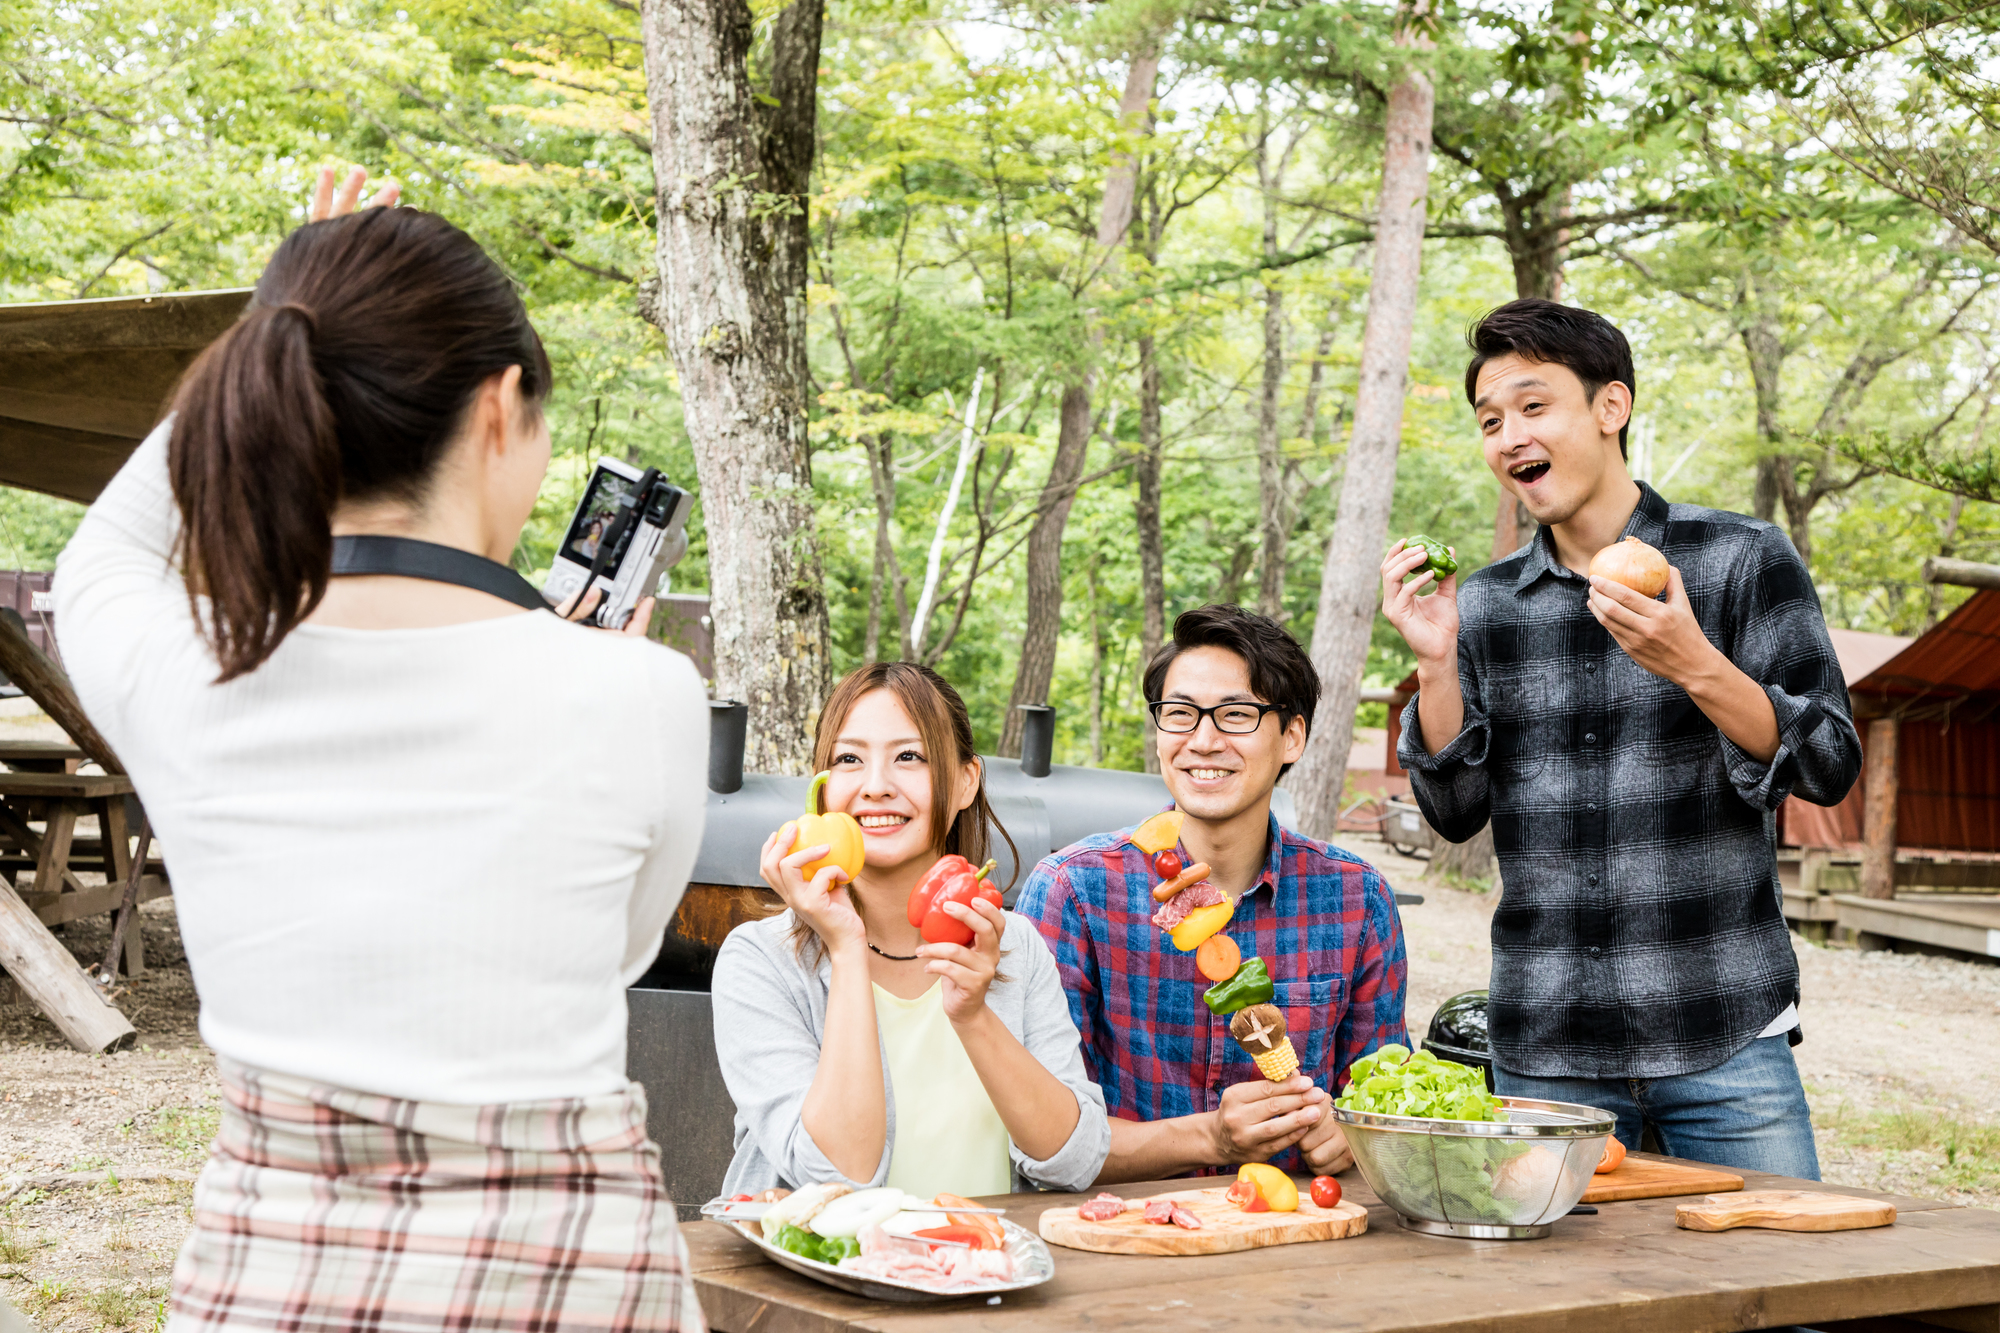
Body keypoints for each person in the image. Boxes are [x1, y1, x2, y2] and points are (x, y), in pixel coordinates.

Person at [55, 170, 709, 1331]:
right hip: (574, 1286)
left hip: (272, 1290)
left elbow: (102, 558)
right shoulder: (638, 693)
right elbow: (608, 959)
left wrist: (286, 318)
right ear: (499, 407)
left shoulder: (186, 672)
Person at [1385, 297, 1862, 1178]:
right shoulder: (1483, 603)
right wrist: (1438, 664)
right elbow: (1452, 810)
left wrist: (1696, 663)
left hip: (1724, 1029)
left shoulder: (1740, 558)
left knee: (1786, 1263)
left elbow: (1829, 762)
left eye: (1533, 406)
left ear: (1612, 406)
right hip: (1547, 1048)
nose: (1510, 436)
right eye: (1490, 420)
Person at [1014, 605, 1409, 1183]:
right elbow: (1040, 1136)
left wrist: (1353, 1136)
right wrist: (1212, 1138)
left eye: (1236, 715)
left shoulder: (1357, 898)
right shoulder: (1072, 892)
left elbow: (1387, 1101)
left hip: (1300, 1224)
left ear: (1292, 737)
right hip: (1120, 1223)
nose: (1202, 740)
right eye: (1179, 714)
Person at [712, 662, 1109, 1198]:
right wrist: (845, 946)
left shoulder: (1013, 945)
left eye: (909, 757)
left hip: (983, 1250)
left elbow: (1076, 1164)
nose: (876, 787)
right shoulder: (761, 959)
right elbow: (837, 1175)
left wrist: (973, 1015)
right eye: (849, 759)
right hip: (827, 1256)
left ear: (966, 781)